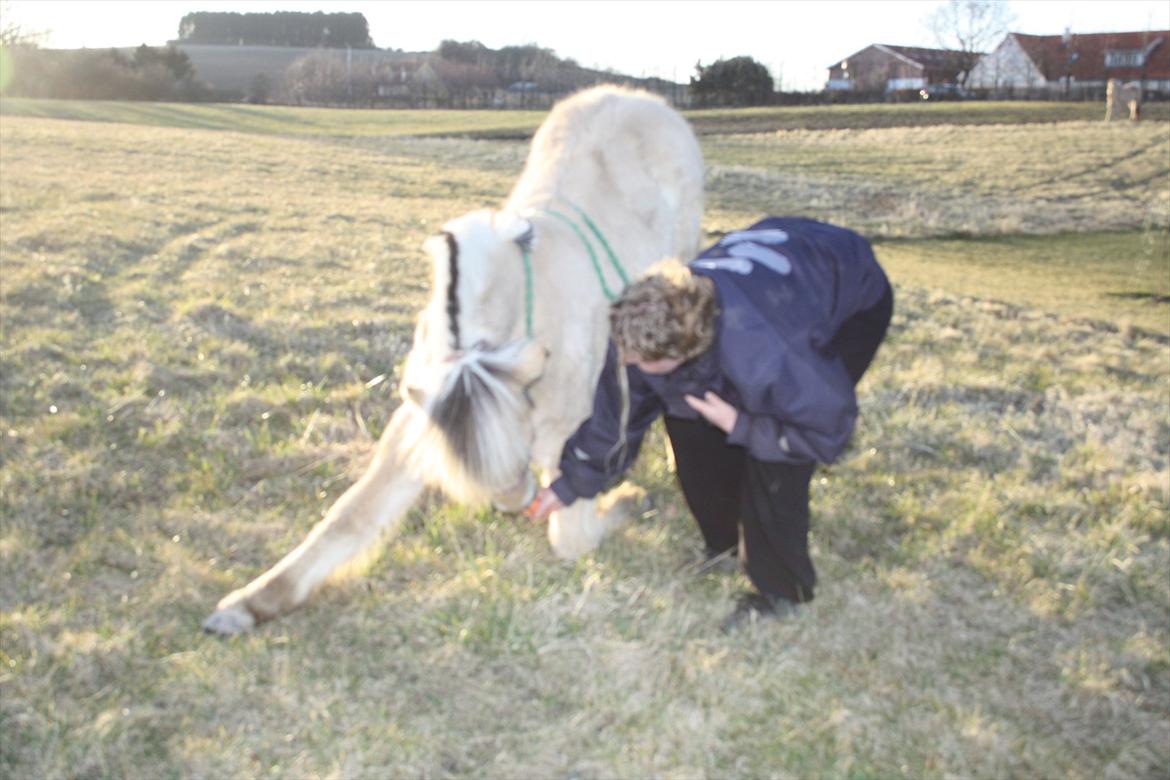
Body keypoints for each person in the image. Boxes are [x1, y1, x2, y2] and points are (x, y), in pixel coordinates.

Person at [528, 216, 894, 631]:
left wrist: (742, 425)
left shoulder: (772, 356)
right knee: (688, 421)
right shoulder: (642, 333)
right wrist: (568, 484)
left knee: (773, 456)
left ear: (682, 351)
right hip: (767, 274)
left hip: (849, 291)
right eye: (623, 353)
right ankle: (722, 544)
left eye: (639, 361)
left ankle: (779, 591)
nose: (628, 364)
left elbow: (826, 433)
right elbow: (618, 418)